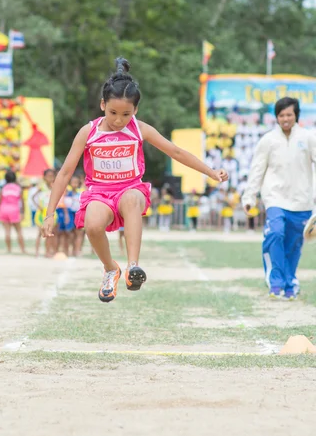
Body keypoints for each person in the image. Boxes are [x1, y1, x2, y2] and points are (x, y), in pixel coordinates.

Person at [41, 58, 228, 302]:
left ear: (136, 110)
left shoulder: (140, 129)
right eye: (113, 113)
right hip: (99, 192)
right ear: (102, 105)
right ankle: (111, 269)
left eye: (126, 114)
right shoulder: (89, 132)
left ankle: (133, 267)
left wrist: (210, 172)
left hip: (130, 188)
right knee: (93, 224)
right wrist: (49, 213)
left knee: (131, 199)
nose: (119, 120)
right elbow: (65, 172)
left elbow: (176, 152)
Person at [242, 97, 316, 299]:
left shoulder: (308, 138)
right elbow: (257, 169)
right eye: (281, 115)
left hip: (302, 201)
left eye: (289, 114)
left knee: (293, 245)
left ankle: (290, 281)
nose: (285, 118)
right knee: (275, 234)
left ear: (296, 115)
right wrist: (249, 197)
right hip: (275, 198)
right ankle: (275, 282)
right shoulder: (268, 140)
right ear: (276, 117)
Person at [0, 170, 26, 254]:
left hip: (4, 209)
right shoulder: (18, 188)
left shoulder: (3, 188)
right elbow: (22, 201)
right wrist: (23, 212)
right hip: (14, 209)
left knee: (7, 231)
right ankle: (23, 250)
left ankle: (9, 250)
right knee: (19, 231)